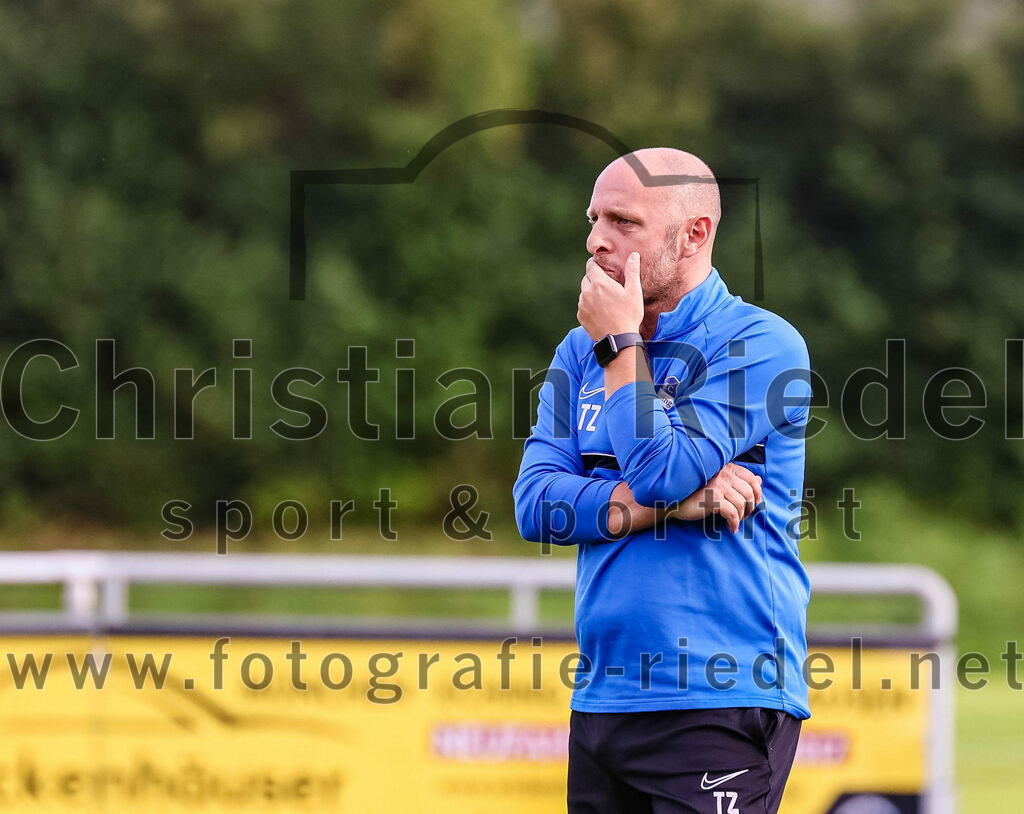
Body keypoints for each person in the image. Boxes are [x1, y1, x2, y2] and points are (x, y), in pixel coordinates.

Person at [513, 148, 812, 813]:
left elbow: (658, 472)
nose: (596, 240)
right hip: (602, 699)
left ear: (695, 233)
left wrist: (620, 345)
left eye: (623, 221)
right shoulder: (577, 350)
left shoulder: (760, 344)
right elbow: (535, 506)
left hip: (721, 698)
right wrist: (674, 507)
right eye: (595, 219)